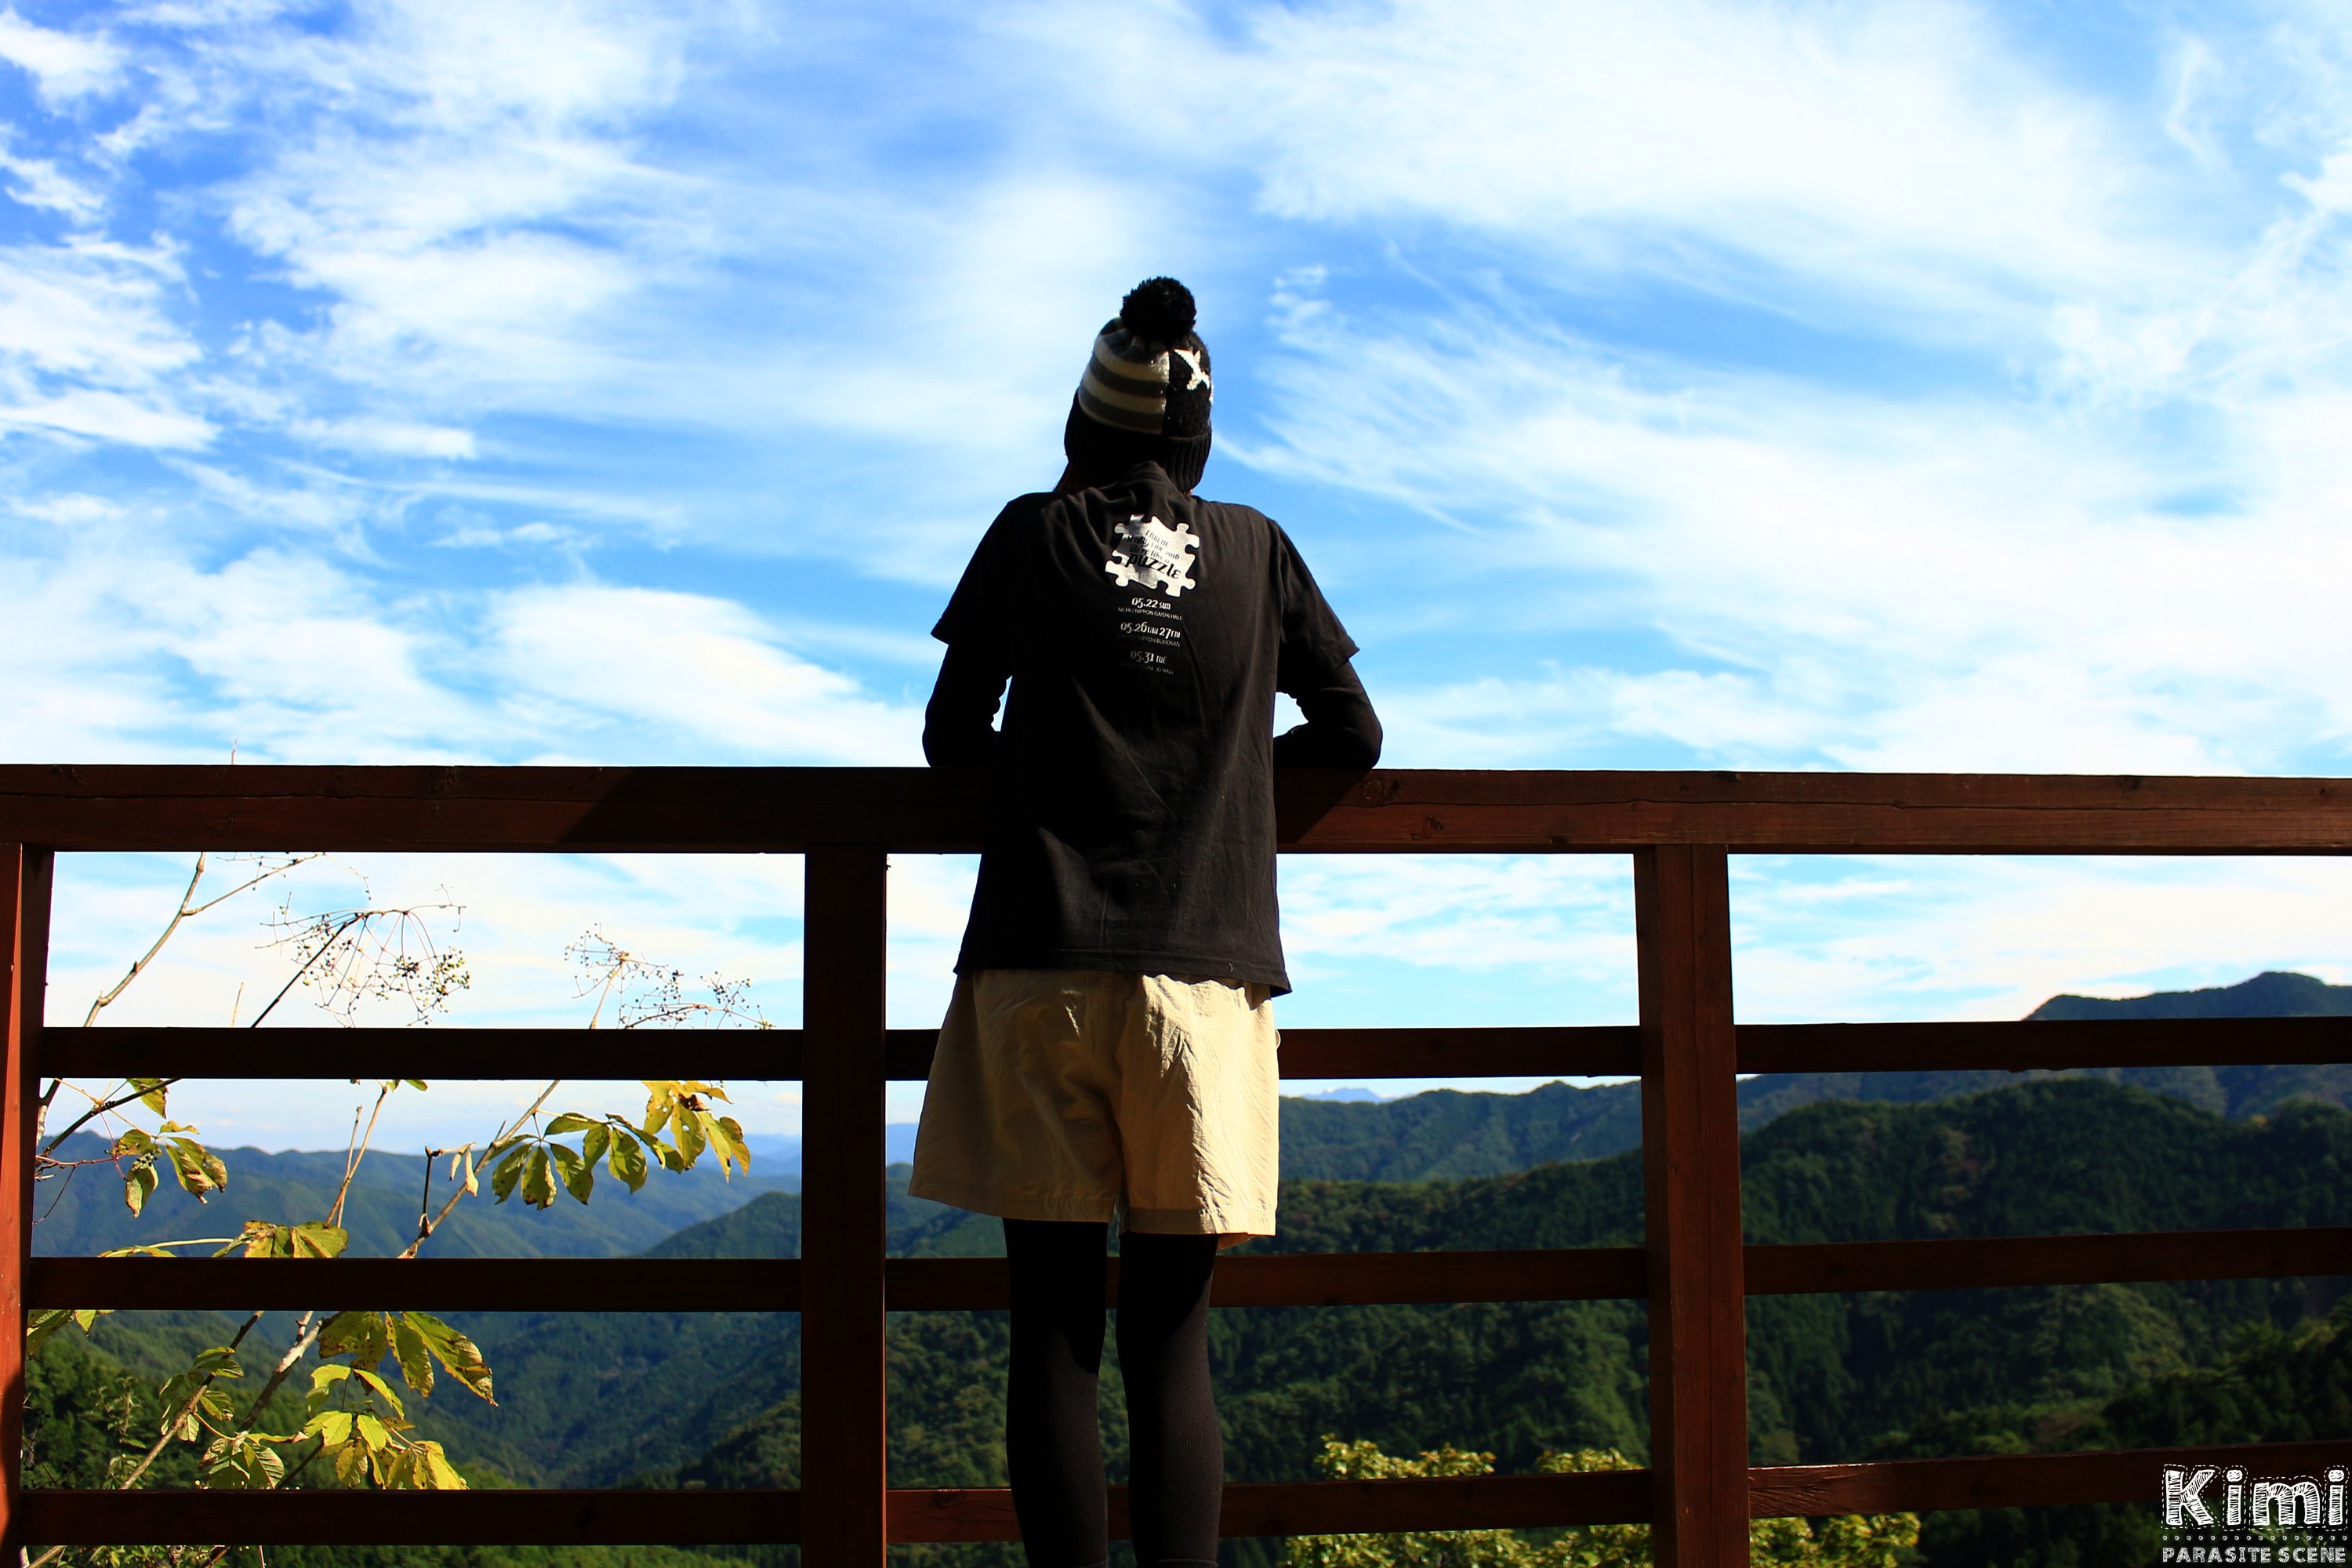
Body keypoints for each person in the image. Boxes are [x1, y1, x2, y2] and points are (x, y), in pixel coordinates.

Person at [909, 277, 1381, 1568]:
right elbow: (1353, 735)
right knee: (1173, 1344)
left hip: (1039, 962)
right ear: (1196, 439)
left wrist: (1056, 781)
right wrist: (1220, 788)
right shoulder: (1258, 547)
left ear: (1084, 424)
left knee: (1053, 1333)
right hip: (1205, 977)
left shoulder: (1028, 533)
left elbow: (951, 735)